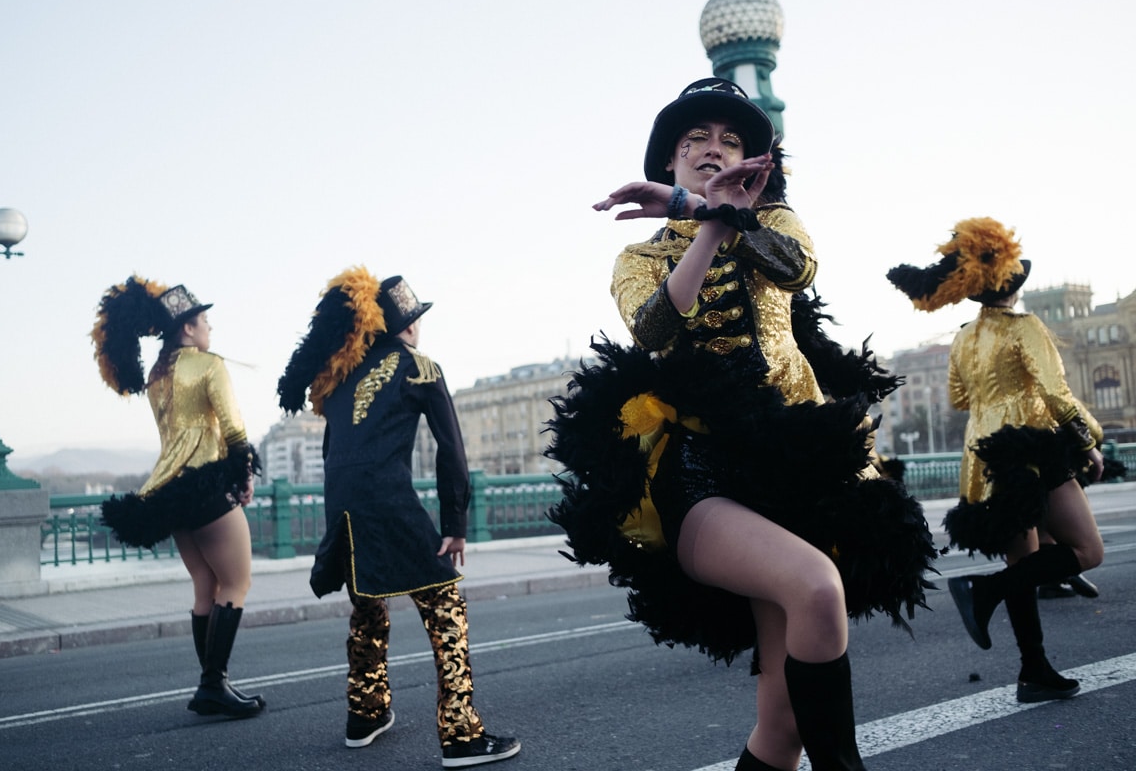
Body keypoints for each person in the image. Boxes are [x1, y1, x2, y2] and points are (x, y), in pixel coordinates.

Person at [546, 78, 936, 771]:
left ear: (754, 162)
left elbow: (797, 270)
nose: (713, 149)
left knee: (781, 728)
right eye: (695, 139)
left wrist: (729, 214)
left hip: (796, 464)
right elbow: (654, 329)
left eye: (730, 141)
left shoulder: (776, 221)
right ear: (668, 163)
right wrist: (705, 224)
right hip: (703, 474)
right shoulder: (640, 257)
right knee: (816, 585)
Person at [277, 268, 520, 768]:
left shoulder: (340, 377)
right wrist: (454, 525)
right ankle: (461, 734)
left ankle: (365, 713)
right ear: (408, 325)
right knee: (445, 606)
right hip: (388, 501)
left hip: (343, 508)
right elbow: (451, 450)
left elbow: (332, 453)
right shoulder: (420, 367)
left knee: (368, 606)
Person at [887, 216, 1105, 702]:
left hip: (983, 450)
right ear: (1012, 283)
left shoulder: (964, 337)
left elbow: (959, 397)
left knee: (1022, 557)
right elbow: (1055, 392)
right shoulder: (1025, 327)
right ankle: (984, 592)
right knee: (1088, 551)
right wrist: (1090, 438)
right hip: (1031, 444)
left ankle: (1034, 671)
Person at [91, 277, 264, 718]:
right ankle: (213, 684)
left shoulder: (158, 375)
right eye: (205, 321)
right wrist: (245, 475)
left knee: (205, 585)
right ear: (187, 327)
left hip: (169, 491)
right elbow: (233, 427)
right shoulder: (208, 365)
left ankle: (213, 684)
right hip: (207, 486)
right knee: (237, 583)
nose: (210, 328)